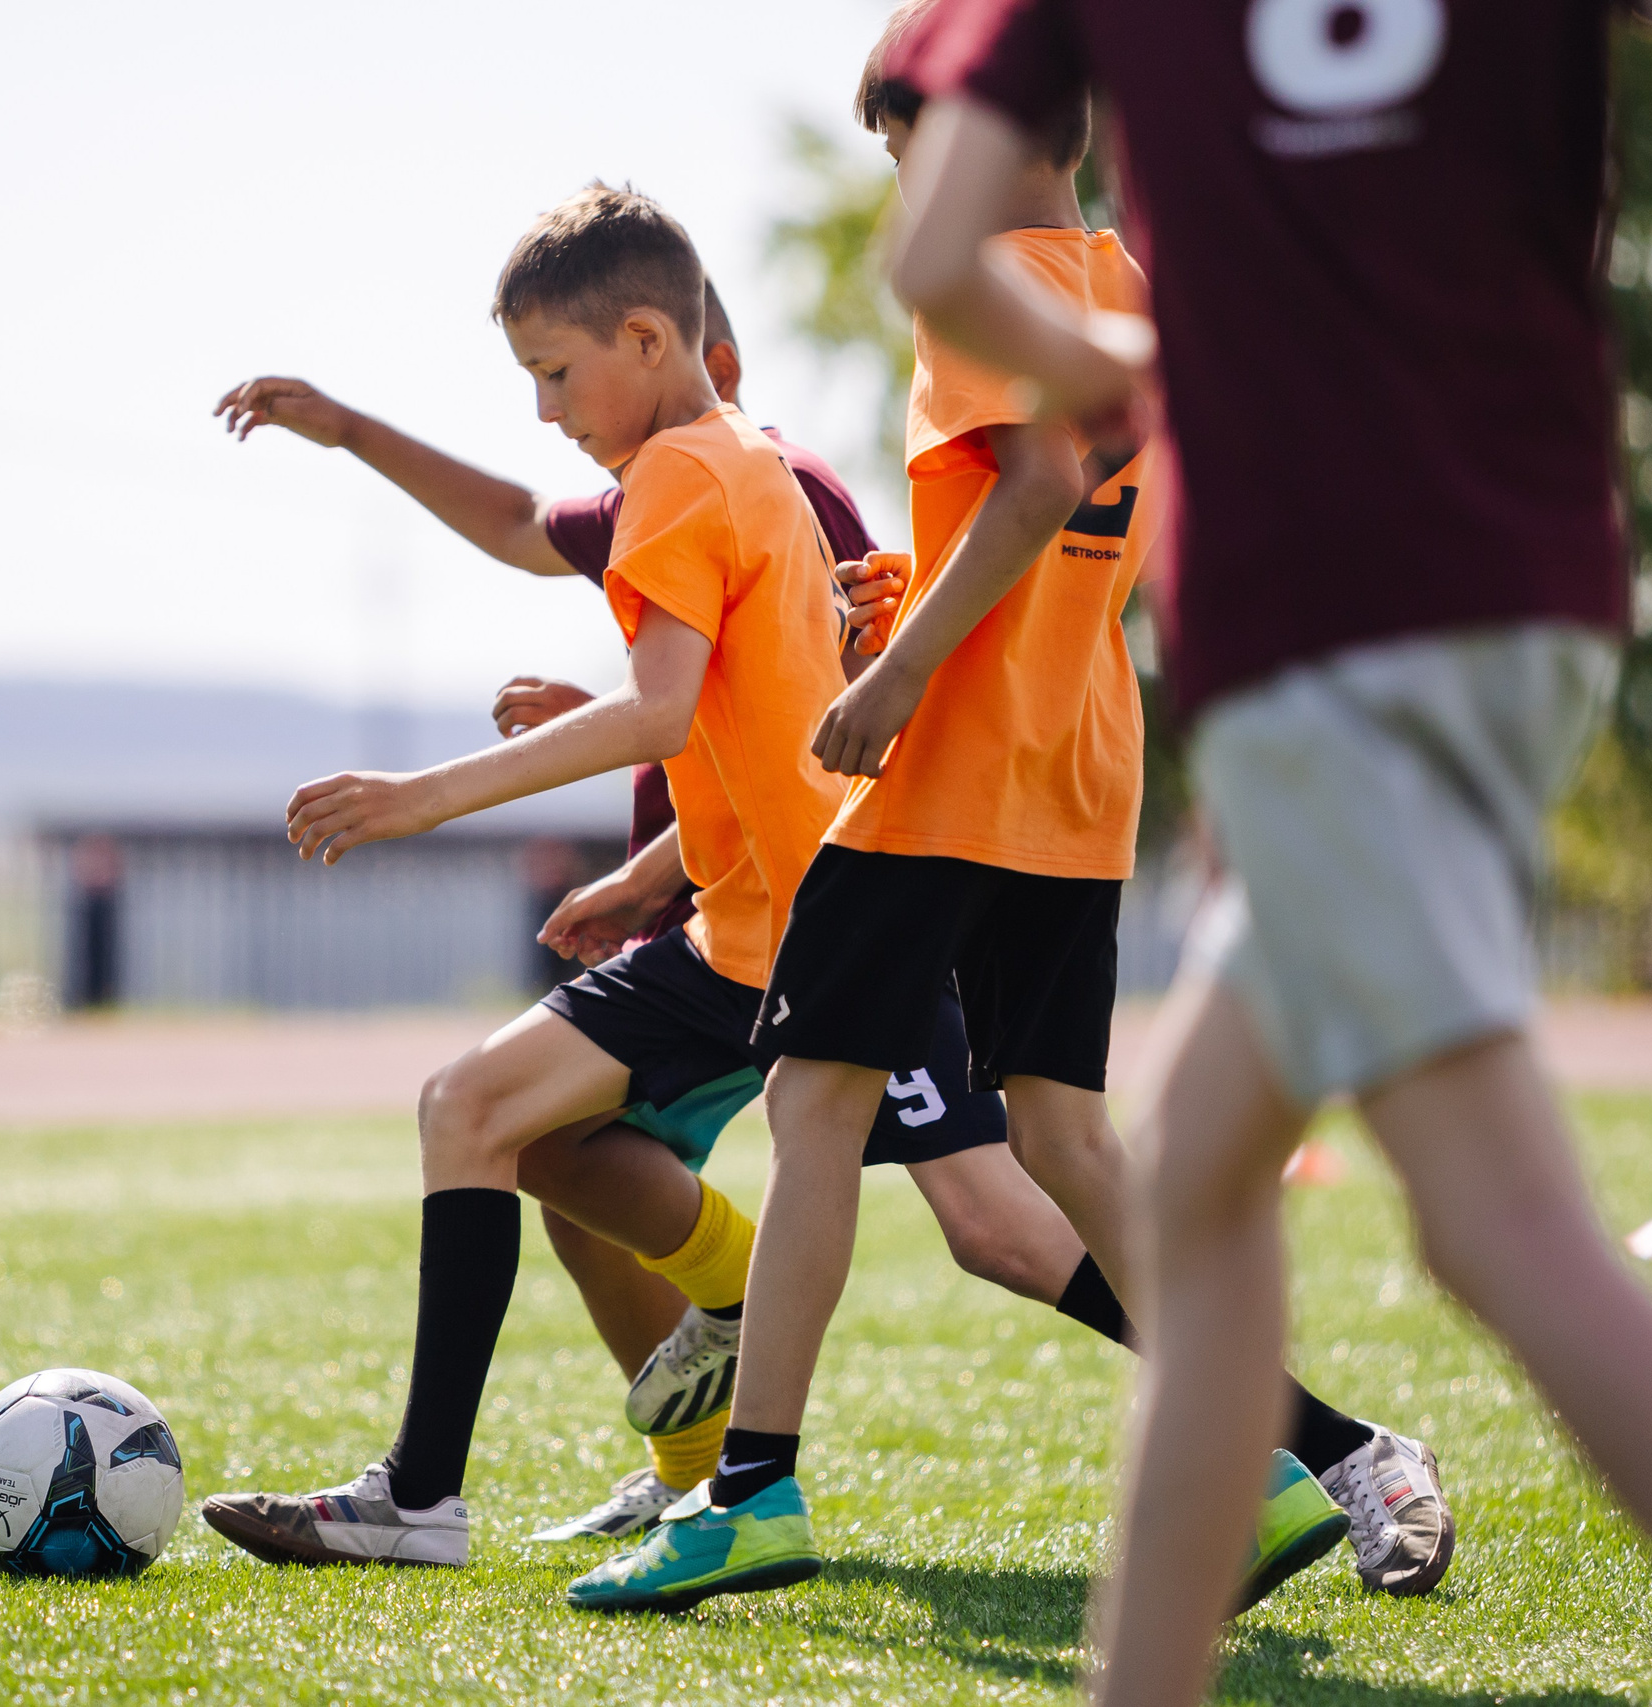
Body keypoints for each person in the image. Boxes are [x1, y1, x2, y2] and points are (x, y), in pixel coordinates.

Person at [880, 1, 1652, 1705]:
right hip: (1531, 590)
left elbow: (938, 250)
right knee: (1189, 1173)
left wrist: (1122, 374)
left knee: (1490, 1221)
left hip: (1310, 620)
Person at [566, 7, 1443, 1614]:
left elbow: (1040, 483)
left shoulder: (995, 281)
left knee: (814, 1108)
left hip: (950, 771)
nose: (912, 188)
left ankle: (749, 1490)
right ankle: (1253, 1463)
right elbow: (1077, 532)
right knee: (1065, 1134)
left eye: (910, 150)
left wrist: (895, 672)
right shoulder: (1139, 297)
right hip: (1078, 769)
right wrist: (914, 587)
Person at [198, 200, 1157, 1560]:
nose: (543, 408)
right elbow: (651, 637)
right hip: (728, 932)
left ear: (653, 338)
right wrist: (350, 430)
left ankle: (1309, 1433)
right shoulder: (699, 464)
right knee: (481, 1113)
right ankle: (446, 1485)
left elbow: (700, 715)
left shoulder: (708, 471)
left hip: (834, 923)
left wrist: (420, 796)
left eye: (554, 373)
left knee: (999, 1224)